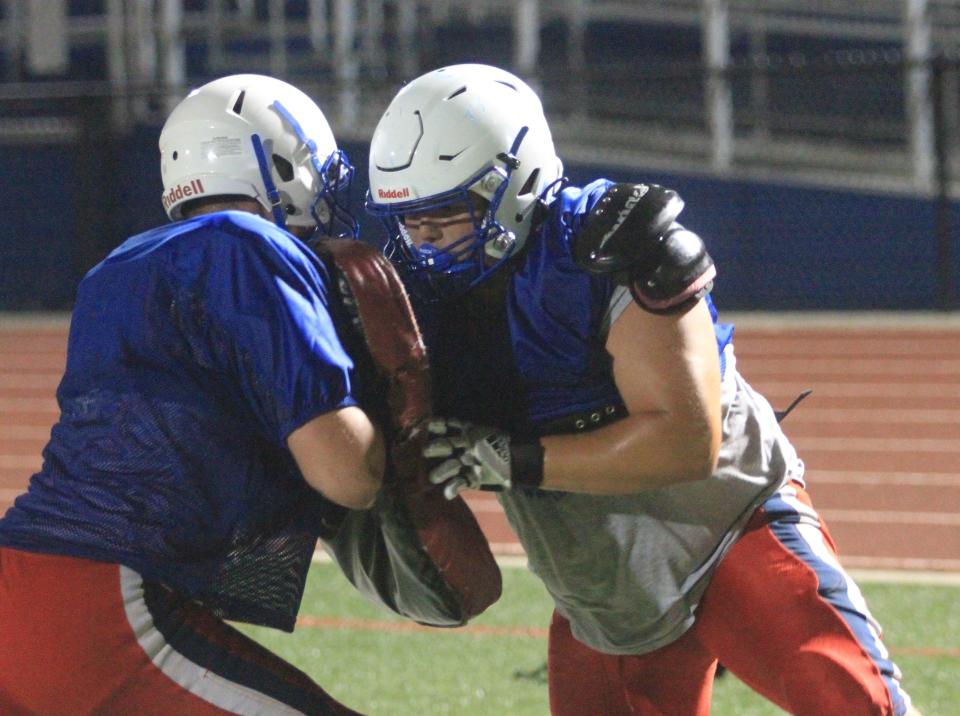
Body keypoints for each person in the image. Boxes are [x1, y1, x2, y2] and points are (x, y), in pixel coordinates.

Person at [365, 63, 921, 716]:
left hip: (728, 531)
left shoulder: (611, 247)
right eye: (410, 222)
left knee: (850, 702)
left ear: (512, 183)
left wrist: (511, 458)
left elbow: (687, 441)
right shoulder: (403, 290)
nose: (423, 243)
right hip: (605, 586)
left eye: (445, 217)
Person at [0, 74, 379, 715]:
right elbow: (348, 476)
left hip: (26, 580)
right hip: (100, 606)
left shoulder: (116, 265)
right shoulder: (250, 247)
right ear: (277, 165)